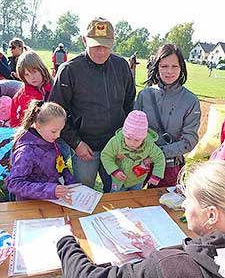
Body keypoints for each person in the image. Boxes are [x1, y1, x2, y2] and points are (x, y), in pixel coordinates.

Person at [55, 160, 225, 278]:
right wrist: (155, 255)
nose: (184, 204)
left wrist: (65, 240)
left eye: (188, 198)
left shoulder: (171, 267)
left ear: (211, 215)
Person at [49, 17, 136, 192]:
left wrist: (125, 142)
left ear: (113, 42)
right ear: (84, 40)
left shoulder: (122, 66)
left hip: (116, 148)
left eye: (106, 45)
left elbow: (129, 104)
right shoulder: (69, 70)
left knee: (115, 194)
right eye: (95, 45)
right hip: (85, 148)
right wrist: (76, 143)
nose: (101, 51)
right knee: (84, 193)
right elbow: (56, 112)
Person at [135, 43, 201, 187]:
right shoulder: (144, 95)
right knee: (129, 204)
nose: (169, 71)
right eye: (164, 66)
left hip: (169, 168)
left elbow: (189, 140)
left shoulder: (191, 101)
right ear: (157, 67)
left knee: (163, 208)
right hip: (139, 163)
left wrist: (157, 154)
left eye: (174, 66)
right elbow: (132, 130)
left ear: (181, 68)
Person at [7, 100, 76, 201]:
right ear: (38, 126)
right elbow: (14, 183)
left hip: (51, 201)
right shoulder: (26, 152)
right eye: (54, 131)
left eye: (61, 130)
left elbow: (61, 167)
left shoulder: (50, 142)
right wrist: (50, 190)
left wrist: (73, 185)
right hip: (30, 206)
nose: (58, 135)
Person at [101, 110, 165, 191]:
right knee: (117, 199)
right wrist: (114, 171)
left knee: (135, 198)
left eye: (137, 140)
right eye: (128, 138)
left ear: (144, 138)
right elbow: (106, 155)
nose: (132, 143)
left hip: (138, 180)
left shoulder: (149, 145)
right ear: (124, 133)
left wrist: (156, 175)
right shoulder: (116, 141)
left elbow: (159, 158)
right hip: (119, 180)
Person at [10, 50, 53, 127]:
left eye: (34, 72)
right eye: (26, 74)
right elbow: (14, 118)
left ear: (42, 69)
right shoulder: (22, 94)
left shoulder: (55, 88)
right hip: (29, 133)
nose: (32, 77)